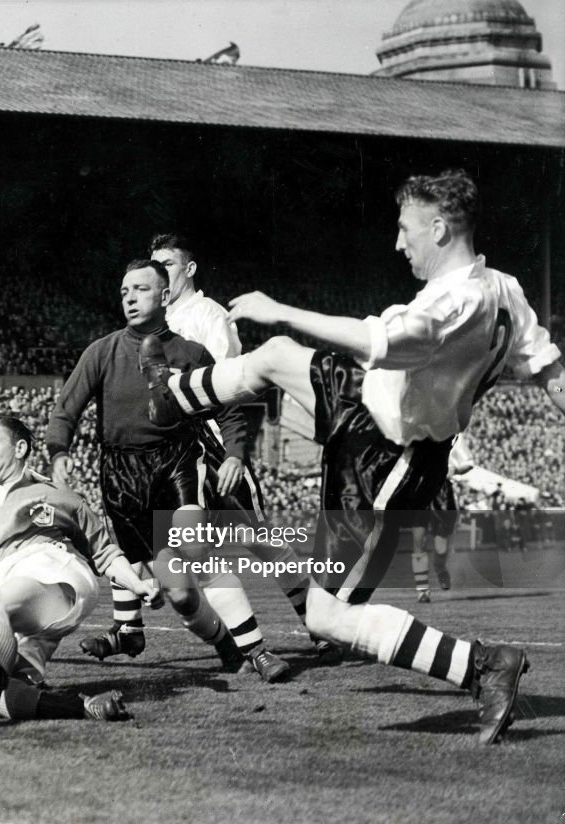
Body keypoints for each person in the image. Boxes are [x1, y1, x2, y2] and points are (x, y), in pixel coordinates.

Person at [139, 169, 565, 743]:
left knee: (326, 618)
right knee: (275, 356)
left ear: (439, 229)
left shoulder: (454, 302)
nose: (398, 242)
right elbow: (551, 372)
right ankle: (172, 395)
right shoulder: (504, 287)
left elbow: (374, 342)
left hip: (388, 456)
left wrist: (280, 307)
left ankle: (484, 664)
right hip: (362, 399)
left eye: (405, 229)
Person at [47, 258, 290, 682]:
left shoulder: (191, 353)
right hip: (121, 472)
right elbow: (66, 408)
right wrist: (58, 452)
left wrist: (234, 454)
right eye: (124, 292)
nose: (129, 298)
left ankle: (258, 651)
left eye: (140, 289)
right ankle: (224, 643)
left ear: (164, 296)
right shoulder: (102, 351)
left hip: (176, 461)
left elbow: (228, 409)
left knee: (196, 548)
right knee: (179, 594)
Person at [150, 232, 338, 662]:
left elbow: (227, 384)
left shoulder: (208, 315)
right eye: (155, 267)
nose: (160, 274)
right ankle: (139, 628)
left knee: (260, 541)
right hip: (177, 454)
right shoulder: (154, 325)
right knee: (184, 550)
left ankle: (321, 624)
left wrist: (234, 452)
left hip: (214, 448)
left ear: (189, 269)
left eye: (168, 265)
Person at [0, 415, 161, 729]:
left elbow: (104, 551)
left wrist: (137, 584)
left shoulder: (57, 495)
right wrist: (8, 528)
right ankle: (83, 707)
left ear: (19, 449)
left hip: (49, 573)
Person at [411, 434, 474, 602]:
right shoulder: (416, 431)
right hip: (419, 488)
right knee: (419, 541)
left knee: (441, 549)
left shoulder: (454, 435)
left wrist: (455, 470)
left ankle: (440, 568)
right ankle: (422, 591)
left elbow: (469, 463)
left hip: (442, 492)